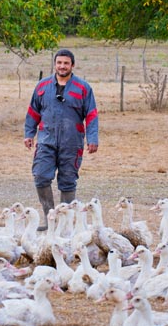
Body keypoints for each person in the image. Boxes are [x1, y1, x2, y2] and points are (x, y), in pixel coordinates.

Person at [24, 49, 99, 231]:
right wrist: (29, 133)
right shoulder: (42, 86)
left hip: (71, 142)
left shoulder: (83, 88)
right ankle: (51, 218)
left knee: (67, 181)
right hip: (46, 140)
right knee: (41, 176)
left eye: (66, 63)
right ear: (55, 64)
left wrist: (92, 138)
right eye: (59, 63)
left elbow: (91, 115)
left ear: (72, 65)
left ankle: (66, 224)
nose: (62, 66)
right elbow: (33, 111)